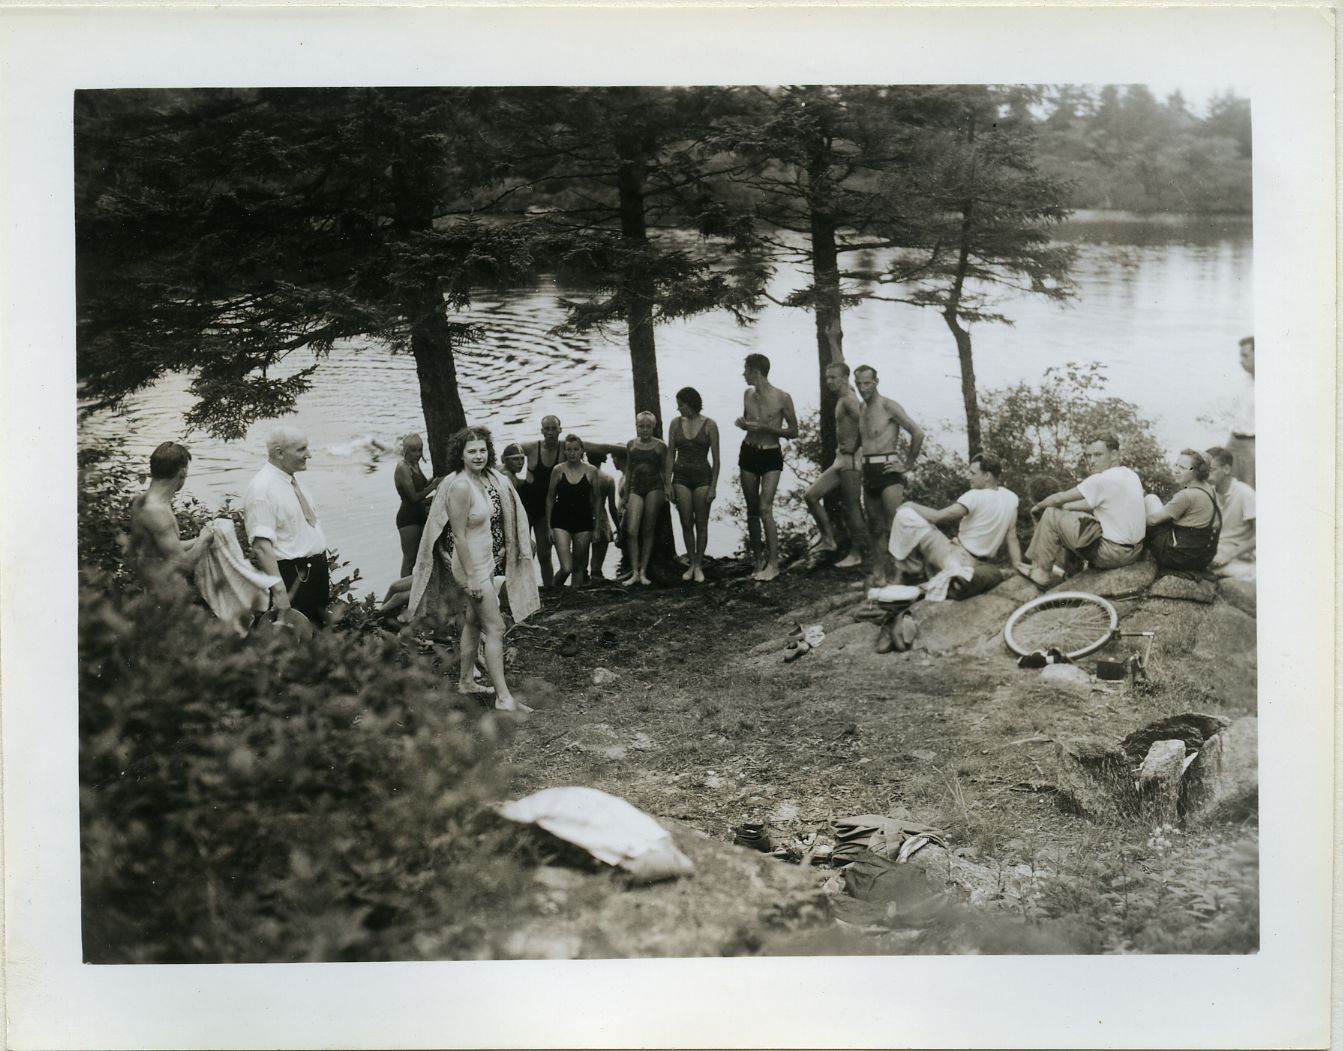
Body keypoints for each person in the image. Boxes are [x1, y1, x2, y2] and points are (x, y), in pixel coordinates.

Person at [409, 425, 539, 713]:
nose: (479, 456)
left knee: (473, 622)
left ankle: (466, 681)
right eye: (472, 451)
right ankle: (504, 698)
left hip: (485, 561)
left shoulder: (486, 480)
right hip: (471, 566)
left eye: (482, 450)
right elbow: (458, 536)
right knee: (496, 626)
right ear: (461, 455)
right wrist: (470, 578)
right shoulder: (460, 486)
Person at [1018, 433, 1145, 586]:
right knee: (1075, 519)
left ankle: (1041, 573)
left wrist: (1038, 507)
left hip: (1111, 554)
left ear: (1114, 454)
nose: (1091, 461)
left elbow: (1058, 498)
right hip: (1133, 552)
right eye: (1089, 456)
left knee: (1051, 513)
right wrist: (1067, 507)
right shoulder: (1130, 475)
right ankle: (1067, 571)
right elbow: (1092, 503)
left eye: (1098, 455)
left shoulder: (1101, 479)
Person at [243, 426, 331, 627]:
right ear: (279, 453)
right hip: (293, 578)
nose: (309, 455)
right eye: (301, 449)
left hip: (313, 574)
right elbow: (261, 546)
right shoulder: (262, 489)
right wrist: (280, 593)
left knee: (315, 640)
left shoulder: (291, 482)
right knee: (295, 645)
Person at [889, 453, 1021, 584]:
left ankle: (912, 572)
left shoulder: (975, 495)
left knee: (904, 515)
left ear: (987, 476)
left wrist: (911, 505)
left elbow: (938, 517)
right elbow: (1012, 538)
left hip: (958, 559)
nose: (968, 477)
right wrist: (1018, 568)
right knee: (928, 527)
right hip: (979, 563)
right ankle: (916, 570)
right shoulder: (1010, 498)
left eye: (973, 473)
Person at [854, 364, 924, 586]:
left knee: (896, 524)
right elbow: (862, 442)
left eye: (867, 383)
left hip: (888, 470)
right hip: (869, 471)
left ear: (876, 382)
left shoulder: (889, 406)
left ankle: (902, 574)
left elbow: (917, 432)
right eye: (858, 384)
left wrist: (907, 465)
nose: (862, 388)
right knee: (874, 526)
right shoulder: (862, 409)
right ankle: (879, 574)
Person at [735, 353, 798, 582]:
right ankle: (758, 560)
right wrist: (743, 424)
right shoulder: (747, 394)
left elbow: (794, 431)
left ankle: (774, 563)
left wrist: (768, 428)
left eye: (746, 370)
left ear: (756, 372)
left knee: (765, 507)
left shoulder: (782, 397)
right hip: (749, 451)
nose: (743, 374)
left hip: (771, 453)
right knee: (752, 507)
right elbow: (747, 421)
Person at [126, 441, 215, 591]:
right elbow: (183, 565)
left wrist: (201, 539)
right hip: (166, 598)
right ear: (182, 472)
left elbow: (162, 548)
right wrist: (204, 540)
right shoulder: (156, 511)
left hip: (155, 591)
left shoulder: (145, 501)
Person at [804, 361, 867, 569]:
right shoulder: (844, 395)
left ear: (845, 379)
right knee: (811, 496)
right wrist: (832, 339)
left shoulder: (849, 400)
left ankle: (857, 554)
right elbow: (840, 361)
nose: (829, 381)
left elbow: (866, 423)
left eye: (833, 378)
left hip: (850, 461)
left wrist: (855, 446)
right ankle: (829, 540)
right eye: (827, 377)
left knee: (852, 507)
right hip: (840, 459)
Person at [667, 387, 721, 584]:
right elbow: (670, 454)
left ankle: (699, 564)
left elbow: (717, 460)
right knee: (686, 522)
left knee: (702, 523)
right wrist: (668, 483)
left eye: (680, 404)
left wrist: (713, 486)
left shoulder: (709, 425)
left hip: (702, 478)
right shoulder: (675, 424)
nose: (678, 408)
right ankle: (691, 562)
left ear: (690, 404)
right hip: (680, 477)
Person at [1143, 449, 1221, 573]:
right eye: (1176, 465)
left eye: (1183, 468)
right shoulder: (1210, 490)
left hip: (1178, 557)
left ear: (1196, 472)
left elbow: (1152, 520)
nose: (1176, 470)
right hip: (1202, 557)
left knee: (1150, 499)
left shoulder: (1187, 495)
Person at [546, 434, 602, 589]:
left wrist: (597, 527)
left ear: (582, 450)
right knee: (566, 568)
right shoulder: (558, 470)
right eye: (568, 450)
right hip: (561, 521)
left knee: (578, 566)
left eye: (575, 449)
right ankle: (552, 591)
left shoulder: (591, 471)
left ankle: (573, 598)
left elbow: (597, 500)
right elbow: (550, 498)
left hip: (583, 521)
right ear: (564, 452)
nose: (572, 453)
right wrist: (549, 527)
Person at [622, 411, 670, 586]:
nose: (644, 430)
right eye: (641, 426)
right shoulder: (631, 445)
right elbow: (629, 470)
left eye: (648, 426)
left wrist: (667, 490)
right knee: (632, 530)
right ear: (636, 427)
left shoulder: (660, 446)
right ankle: (634, 572)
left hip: (654, 488)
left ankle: (644, 571)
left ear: (653, 427)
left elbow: (665, 471)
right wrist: (625, 494)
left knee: (648, 529)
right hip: (636, 487)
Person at [520, 415, 564, 586]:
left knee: (545, 553)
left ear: (560, 430)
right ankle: (522, 587)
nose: (550, 433)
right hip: (525, 505)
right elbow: (507, 454)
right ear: (541, 431)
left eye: (554, 429)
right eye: (547, 429)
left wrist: (625, 450)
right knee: (523, 550)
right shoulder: (531, 448)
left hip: (544, 508)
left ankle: (548, 588)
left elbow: (594, 447)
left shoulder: (565, 448)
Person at [393, 433, 441, 578]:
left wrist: (436, 478)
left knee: (421, 558)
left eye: (420, 450)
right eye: (414, 451)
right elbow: (413, 497)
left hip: (420, 514)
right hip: (408, 518)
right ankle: (402, 591)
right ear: (406, 450)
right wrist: (433, 486)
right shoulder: (403, 467)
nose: (418, 454)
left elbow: (422, 487)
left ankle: (413, 590)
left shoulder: (415, 464)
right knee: (409, 559)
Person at [1205, 445, 1256, 579]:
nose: (1206, 475)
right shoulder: (1209, 493)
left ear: (1226, 469)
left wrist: (1231, 554)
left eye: (1211, 470)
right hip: (1216, 551)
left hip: (1237, 554)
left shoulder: (1245, 493)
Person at [587, 449, 621, 581]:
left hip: (583, 517)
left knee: (581, 562)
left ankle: (583, 580)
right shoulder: (608, 479)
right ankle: (596, 576)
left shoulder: (583, 475)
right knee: (596, 565)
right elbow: (612, 507)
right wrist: (618, 528)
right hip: (601, 519)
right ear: (603, 460)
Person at [1226, 336, 1255, 488]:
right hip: (1234, 441)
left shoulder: (1271, 384)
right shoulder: (1243, 381)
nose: (1241, 360)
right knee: (1228, 486)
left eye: (1245, 356)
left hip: (1252, 444)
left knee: (1249, 490)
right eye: (1240, 356)